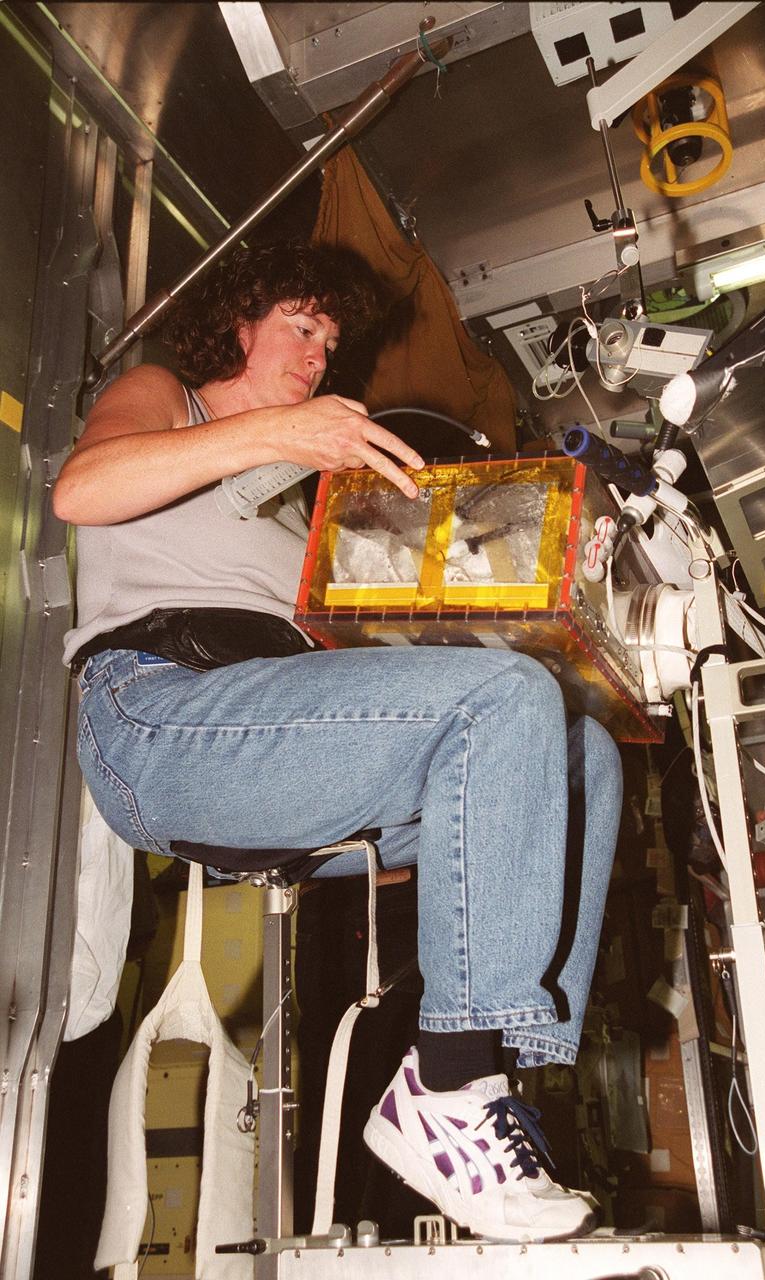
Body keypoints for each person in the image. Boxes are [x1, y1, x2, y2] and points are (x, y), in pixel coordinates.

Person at [53, 239, 622, 1244]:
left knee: (580, 755)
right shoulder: (164, 398)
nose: (318, 358)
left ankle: (491, 1074)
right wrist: (283, 431)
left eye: (330, 343)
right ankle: (445, 1088)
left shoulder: (287, 514)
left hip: (273, 728)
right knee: (501, 702)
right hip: (163, 713)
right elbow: (83, 490)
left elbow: (374, 693)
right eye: (301, 327)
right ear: (235, 320)